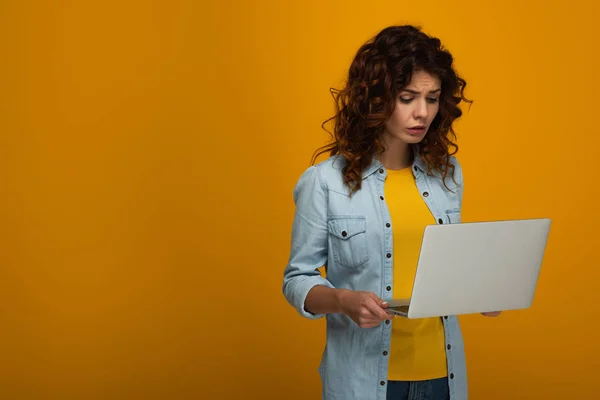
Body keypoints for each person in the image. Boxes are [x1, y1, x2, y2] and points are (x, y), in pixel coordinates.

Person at [282, 25, 501, 400]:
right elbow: (296, 279)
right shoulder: (325, 182)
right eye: (407, 97)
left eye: (432, 99)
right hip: (364, 379)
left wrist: (482, 292)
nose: (422, 112)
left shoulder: (447, 174)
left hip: (443, 375)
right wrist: (342, 301)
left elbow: (449, 268)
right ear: (375, 99)